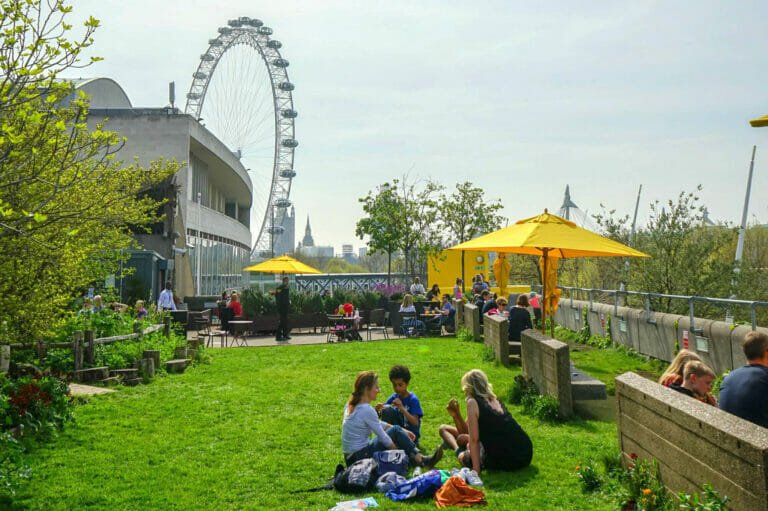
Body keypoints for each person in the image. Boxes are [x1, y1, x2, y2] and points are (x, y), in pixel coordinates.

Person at [438, 369, 532, 474]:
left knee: (464, 456)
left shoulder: (472, 402)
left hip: (507, 457)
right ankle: (461, 447)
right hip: (525, 452)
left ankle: (458, 451)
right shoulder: (495, 399)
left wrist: (476, 471)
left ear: (468, 388)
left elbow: (474, 439)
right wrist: (456, 415)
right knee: (458, 436)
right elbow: (467, 432)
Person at [342, 371, 442, 468]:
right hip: (360, 458)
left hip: (350, 459)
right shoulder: (366, 409)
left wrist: (403, 431)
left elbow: (377, 423)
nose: (379, 390)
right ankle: (422, 460)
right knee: (395, 432)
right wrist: (398, 453)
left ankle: (418, 459)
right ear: (367, 389)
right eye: (376, 387)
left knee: (396, 430)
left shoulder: (351, 404)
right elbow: (383, 437)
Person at [719, 331, 768, 428]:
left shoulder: (729, 378)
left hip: (729, 437)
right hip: (757, 440)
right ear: (766, 351)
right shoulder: (765, 377)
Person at [377, 365, 424, 443]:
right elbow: (384, 414)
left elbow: (415, 423)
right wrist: (378, 410)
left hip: (411, 436)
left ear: (407, 383)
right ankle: (388, 440)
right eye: (394, 385)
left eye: (400, 385)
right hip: (398, 432)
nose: (397, 388)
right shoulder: (394, 397)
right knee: (387, 410)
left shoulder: (413, 400)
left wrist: (402, 408)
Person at [271, 276, 291, 341]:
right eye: (287, 280)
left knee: (285, 321)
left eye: (288, 281)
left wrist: (289, 301)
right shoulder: (280, 288)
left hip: (286, 307)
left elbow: (286, 297)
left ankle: (285, 335)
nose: (288, 282)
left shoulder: (286, 288)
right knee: (282, 321)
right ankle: (278, 336)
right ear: (284, 281)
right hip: (282, 307)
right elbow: (277, 295)